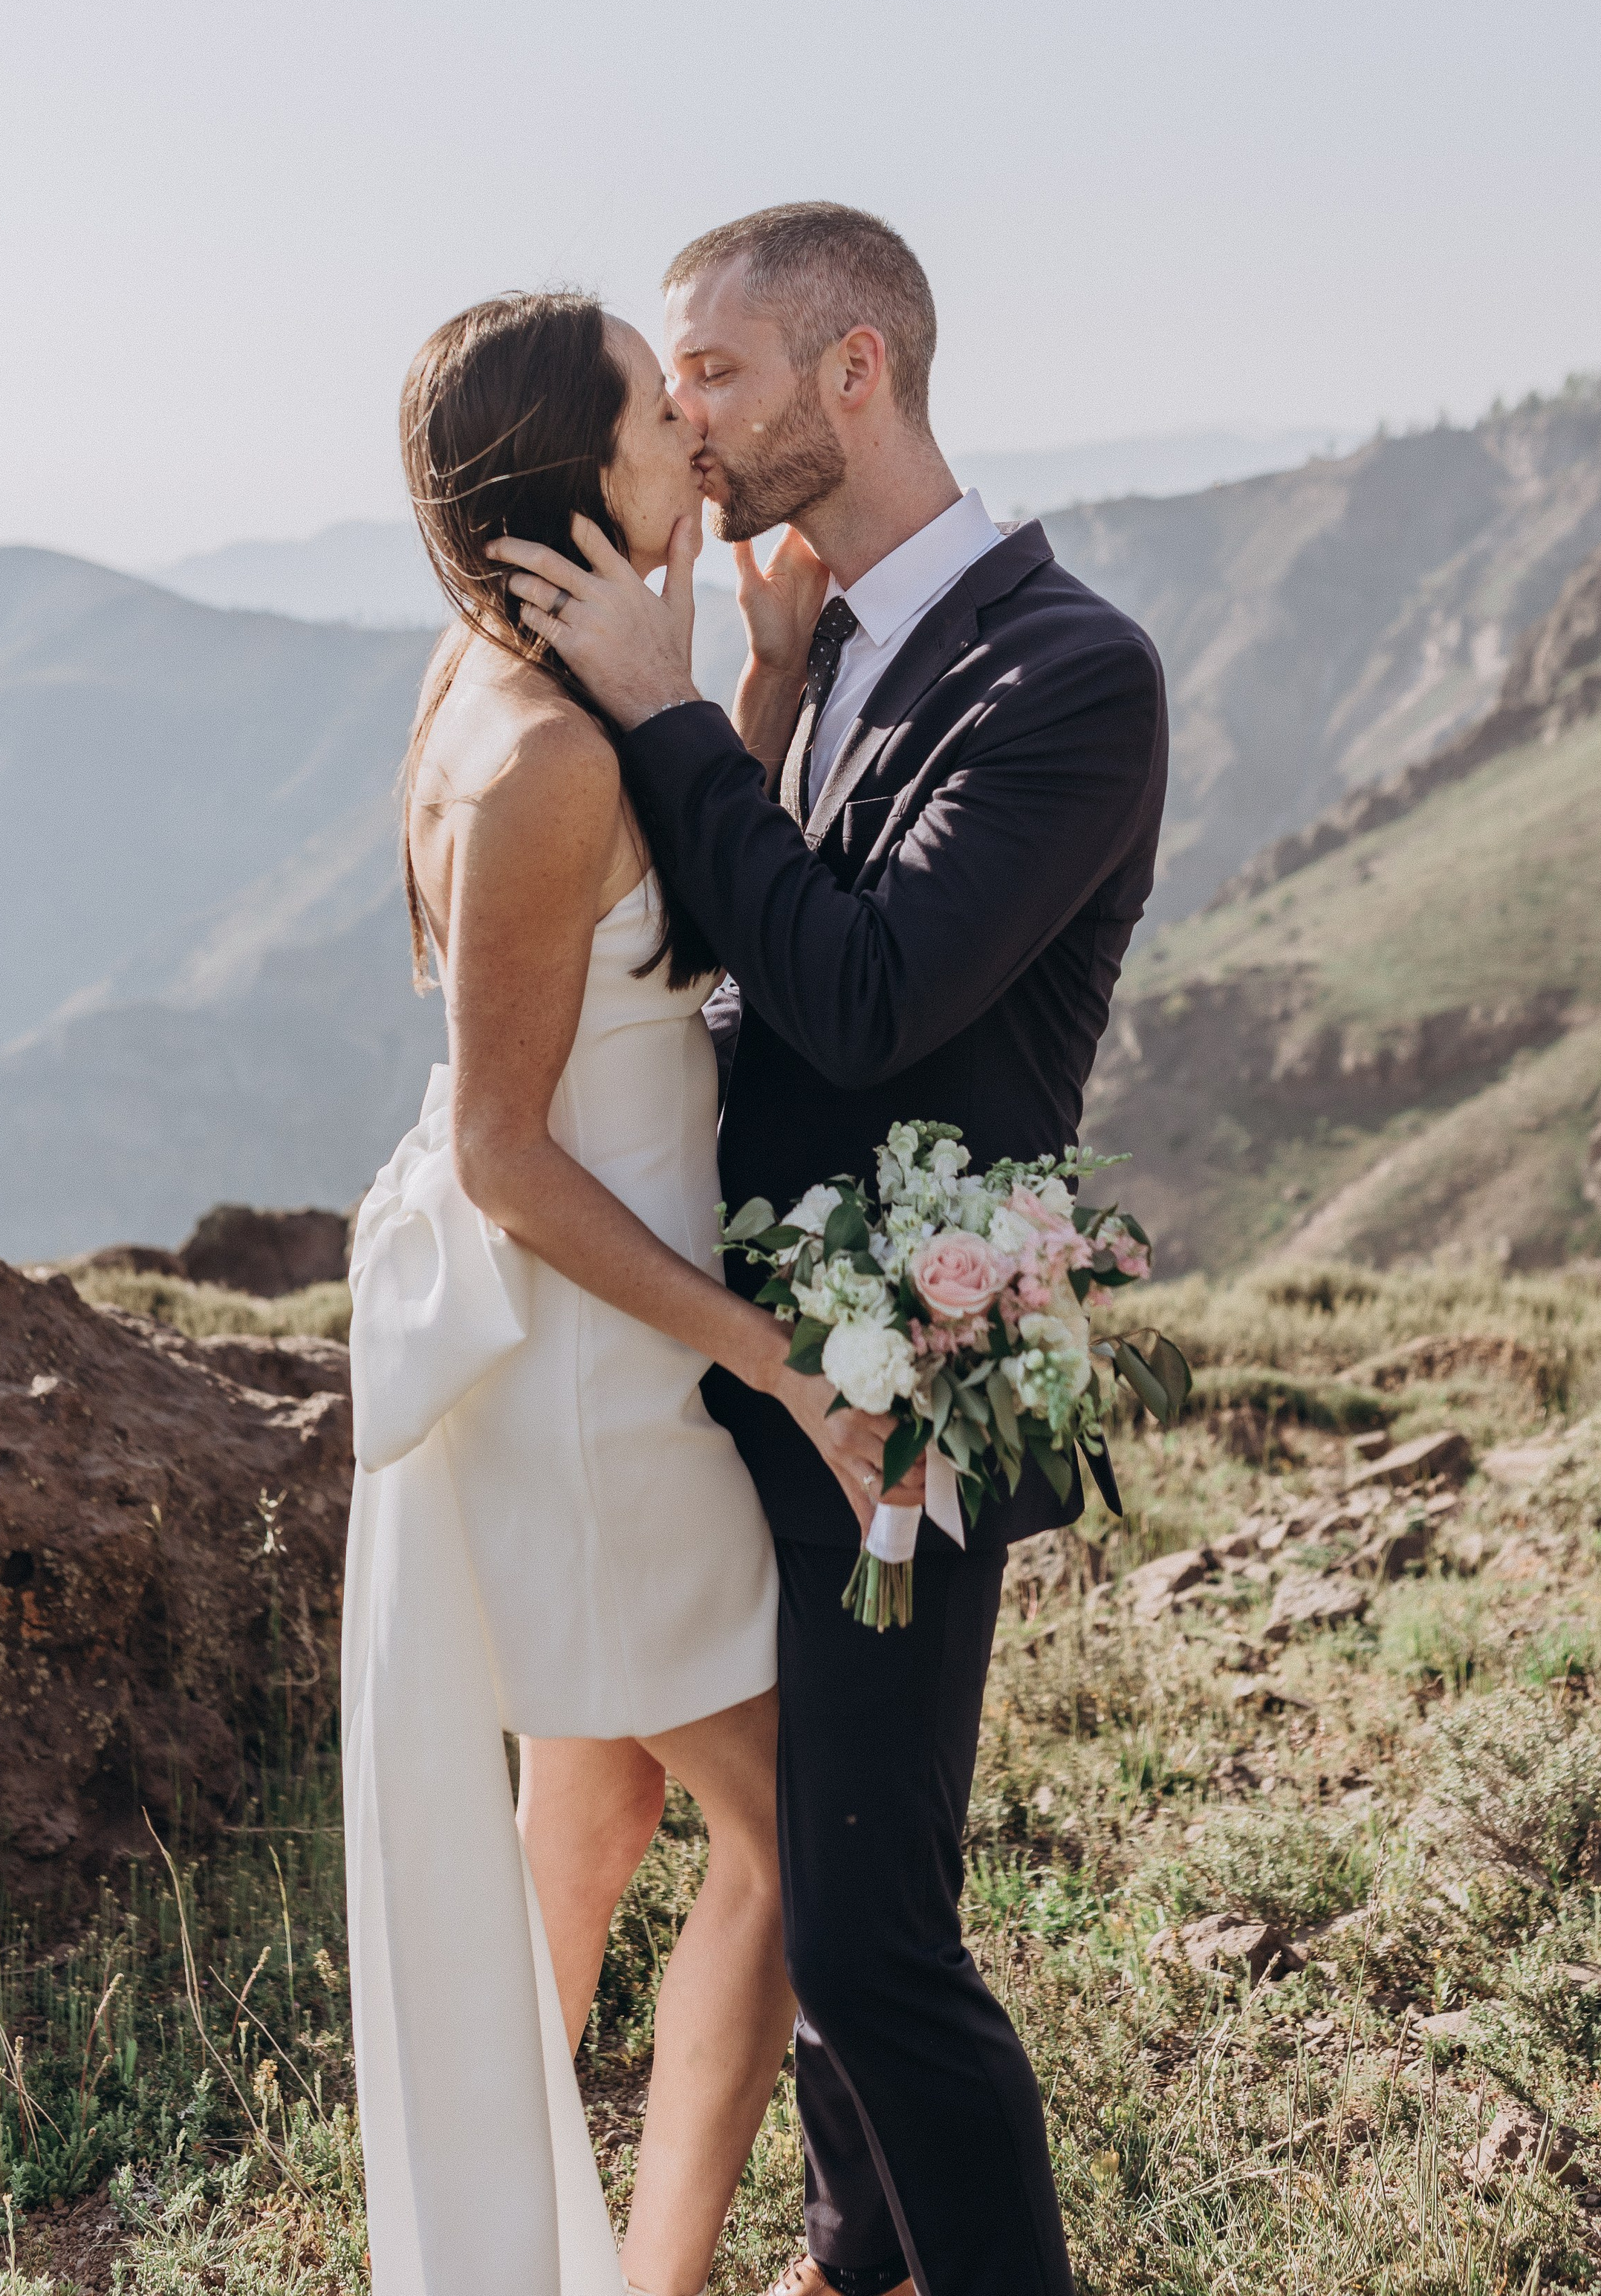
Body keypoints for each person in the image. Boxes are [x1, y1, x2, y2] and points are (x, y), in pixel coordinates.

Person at [493, 202, 1169, 2296]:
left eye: (714, 370)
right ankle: (849, 2253)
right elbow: (740, 961)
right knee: (814, 1885)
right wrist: (757, 695)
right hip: (755, 1362)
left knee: (875, 1941)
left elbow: (866, 996)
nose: (685, 418)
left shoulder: (1069, 676)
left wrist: (665, 711)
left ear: (851, 372)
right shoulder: (843, 642)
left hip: (904, 1396)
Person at [340, 291, 897, 2296]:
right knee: (790, 1838)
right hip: (603, 1383)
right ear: (589, 476)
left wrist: (748, 689)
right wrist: (759, 1348)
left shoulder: (518, 679)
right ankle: (652, 2277)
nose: (694, 436)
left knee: (588, 1806)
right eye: (663, 416)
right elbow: (506, 1144)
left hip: (603, 1353)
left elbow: (652, 940)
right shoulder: (540, 755)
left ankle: (506, 2251)